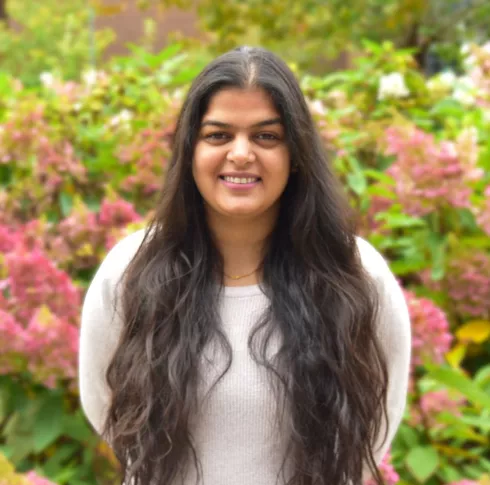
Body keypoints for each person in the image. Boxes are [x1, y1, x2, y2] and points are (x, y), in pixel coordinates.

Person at [79, 46, 411, 485]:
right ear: (190, 151)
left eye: (266, 137)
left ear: (296, 154)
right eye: (218, 135)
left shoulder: (355, 274)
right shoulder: (130, 270)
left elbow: (376, 418)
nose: (240, 154)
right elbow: (104, 403)